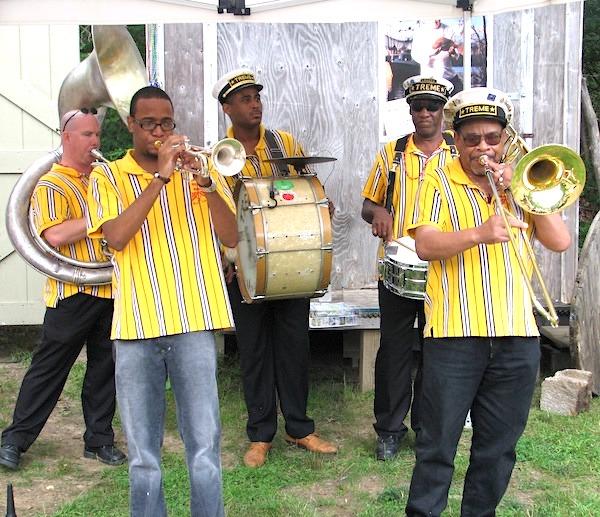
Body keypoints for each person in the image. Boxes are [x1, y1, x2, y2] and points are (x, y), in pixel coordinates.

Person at [405, 87, 572, 515]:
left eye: (492, 138)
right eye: (472, 138)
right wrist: (480, 232)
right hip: (455, 337)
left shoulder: (519, 183)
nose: (483, 148)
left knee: (497, 452)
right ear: (455, 140)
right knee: (437, 447)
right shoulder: (436, 180)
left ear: (505, 139)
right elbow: (425, 244)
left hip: (517, 336)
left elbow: (559, 240)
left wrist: (523, 192)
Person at [86, 86, 237, 517]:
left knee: (205, 447)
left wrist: (205, 184)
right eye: (149, 123)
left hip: (193, 320)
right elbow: (116, 237)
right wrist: (161, 179)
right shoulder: (108, 176)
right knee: (142, 455)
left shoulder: (202, 170)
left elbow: (230, 236)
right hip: (136, 327)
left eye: (166, 123)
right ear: (131, 125)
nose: (158, 131)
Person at [212, 68, 337, 468]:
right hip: (245, 270)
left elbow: (309, 189)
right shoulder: (220, 155)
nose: (255, 104)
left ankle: (299, 428)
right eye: (245, 99)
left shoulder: (284, 144)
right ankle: (260, 434)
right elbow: (213, 211)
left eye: (257, 96)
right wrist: (227, 256)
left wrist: (323, 208)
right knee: (254, 352)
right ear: (228, 108)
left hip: (292, 263)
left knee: (294, 348)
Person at [0, 109, 125, 471]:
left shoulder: (104, 177)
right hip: (71, 291)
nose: (95, 142)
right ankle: (14, 440)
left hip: (111, 286)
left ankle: (99, 440)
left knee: (105, 367)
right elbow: (54, 234)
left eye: (97, 134)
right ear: (66, 137)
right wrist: (99, 217)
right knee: (49, 368)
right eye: (87, 135)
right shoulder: (51, 184)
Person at [361, 75, 457, 461]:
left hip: (445, 267)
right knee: (395, 351)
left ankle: (430, 427)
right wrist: (379, 211)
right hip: (397, 270)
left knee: (439, 351)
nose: (424, 113)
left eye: (432, 106)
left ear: (443, 111)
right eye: (417, 106)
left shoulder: (458, 153)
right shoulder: (392, 152)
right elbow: (367, 204)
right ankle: (388, 429)